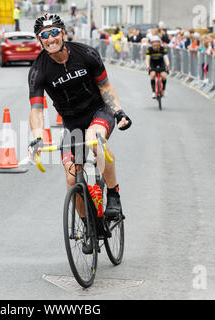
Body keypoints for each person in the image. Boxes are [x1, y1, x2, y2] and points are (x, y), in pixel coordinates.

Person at [28, 14, 132, 238]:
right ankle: (90, 227)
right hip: (72, 124)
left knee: (95, 140)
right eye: (44, 35)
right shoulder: (38, 70)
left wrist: (119, 112)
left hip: (98, 111)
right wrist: (37, 137)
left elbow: (105, 87)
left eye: (54, 32)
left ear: (63, 33)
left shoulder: (86, 54)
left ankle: (113, 195)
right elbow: (36, 109)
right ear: (40, 40)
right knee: (71, 179)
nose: (50, 38)